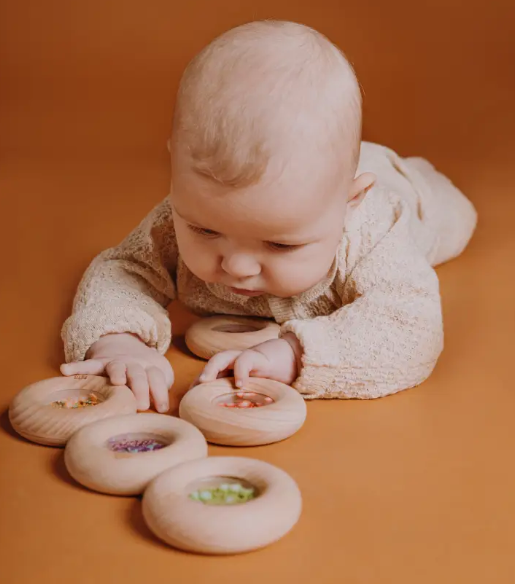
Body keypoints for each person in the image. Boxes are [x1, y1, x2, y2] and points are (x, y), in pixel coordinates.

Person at [60, 20, 477, 413]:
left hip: (399, 189)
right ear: (176, 170)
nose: (236, 266)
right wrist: (118, 339)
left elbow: (409, 328)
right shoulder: (182, 212)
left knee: (457, 219)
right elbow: (123, 270)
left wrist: (298, 354)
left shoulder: (375, 232)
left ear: (349, 204)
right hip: (311, 183)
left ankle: (414, 175)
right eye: (206, 230)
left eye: (281, 243)